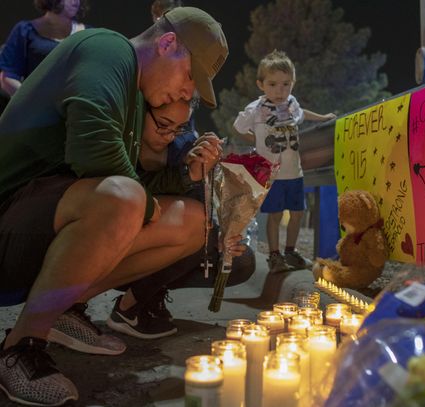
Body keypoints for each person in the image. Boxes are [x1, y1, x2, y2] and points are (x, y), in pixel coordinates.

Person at [0, 7, 229, 406]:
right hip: (8, 220)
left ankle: (64, 309)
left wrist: (186, 177)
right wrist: (147, 206)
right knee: (126, 199)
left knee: (194, 223)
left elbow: (127, 181)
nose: (187, 94)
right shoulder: (108, 49)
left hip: (43, 221)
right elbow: (95, 150)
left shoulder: (132, 95)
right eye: (190, 76)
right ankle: (20, 348)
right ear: (167, 42)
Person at [106, 99, 254, 339]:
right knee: (193, 229)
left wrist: (221, 235)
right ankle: (127, 307)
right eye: (163, 125)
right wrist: (185, 174)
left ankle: (151, 293)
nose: (169, 136)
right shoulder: (119, 143)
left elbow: (202, 208)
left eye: (179, 128)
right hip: (121, 244)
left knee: (240, 260)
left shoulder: (184, 148)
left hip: (166, 242)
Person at [234, 50, 336, 273]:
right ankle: (274, 256)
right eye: (272, 84)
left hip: (295, 173)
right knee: (275, 215)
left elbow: (302, 114)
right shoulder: (256, 109)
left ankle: (291, 251)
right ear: (261, 84)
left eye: (285, 84)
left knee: (297, 214)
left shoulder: (291, 104)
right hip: (273, 174)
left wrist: (323, 117)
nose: (279, 90)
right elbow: (238, 127)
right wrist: (257, 141)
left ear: (292, 83)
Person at [0, 0, 89, 97]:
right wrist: (34, 103)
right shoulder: (25, 31)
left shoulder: (89, 34)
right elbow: (8, 78)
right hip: (38, 106)